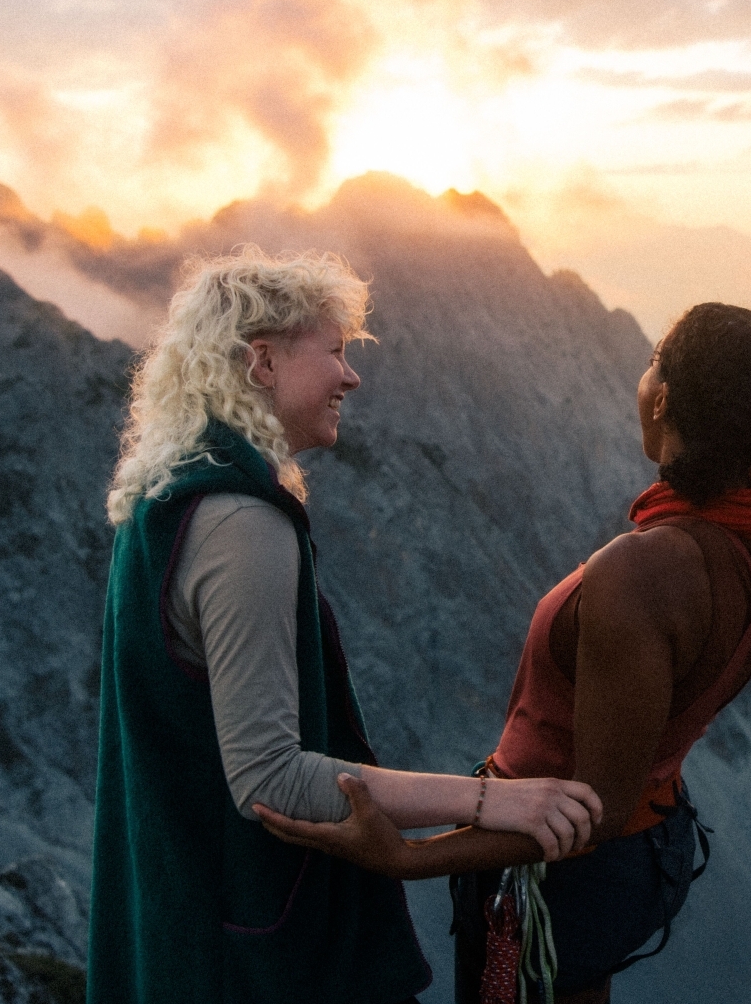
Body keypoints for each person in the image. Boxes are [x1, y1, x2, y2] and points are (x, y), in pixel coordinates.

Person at [258, 0, 751, 1003]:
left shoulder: (641, 579)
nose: (639, 371)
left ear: (664, 408)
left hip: (555, 882)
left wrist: (406, 858)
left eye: (652, 361)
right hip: (639, 856)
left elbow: (589, 812)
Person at [88, 249, 604, 1004]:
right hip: (251, 959)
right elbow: (268, 778)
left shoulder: (170, 501)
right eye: (333, 350)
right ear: (263, 361)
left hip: (183, 925)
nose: (351, 376)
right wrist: (495, 802)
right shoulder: (241, 525)